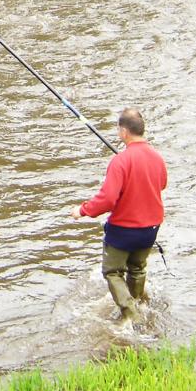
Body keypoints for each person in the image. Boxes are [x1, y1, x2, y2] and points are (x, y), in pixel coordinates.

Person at [71, 108, 167, 322]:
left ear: (124, 132)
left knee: (113, 272)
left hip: (124, 230)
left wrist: (83, 210)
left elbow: (107, 199)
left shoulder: (120, 161)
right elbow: (161, 184)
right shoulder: (157, 157)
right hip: (150, 228)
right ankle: (138, 302)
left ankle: (131, 314)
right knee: (137, 267)